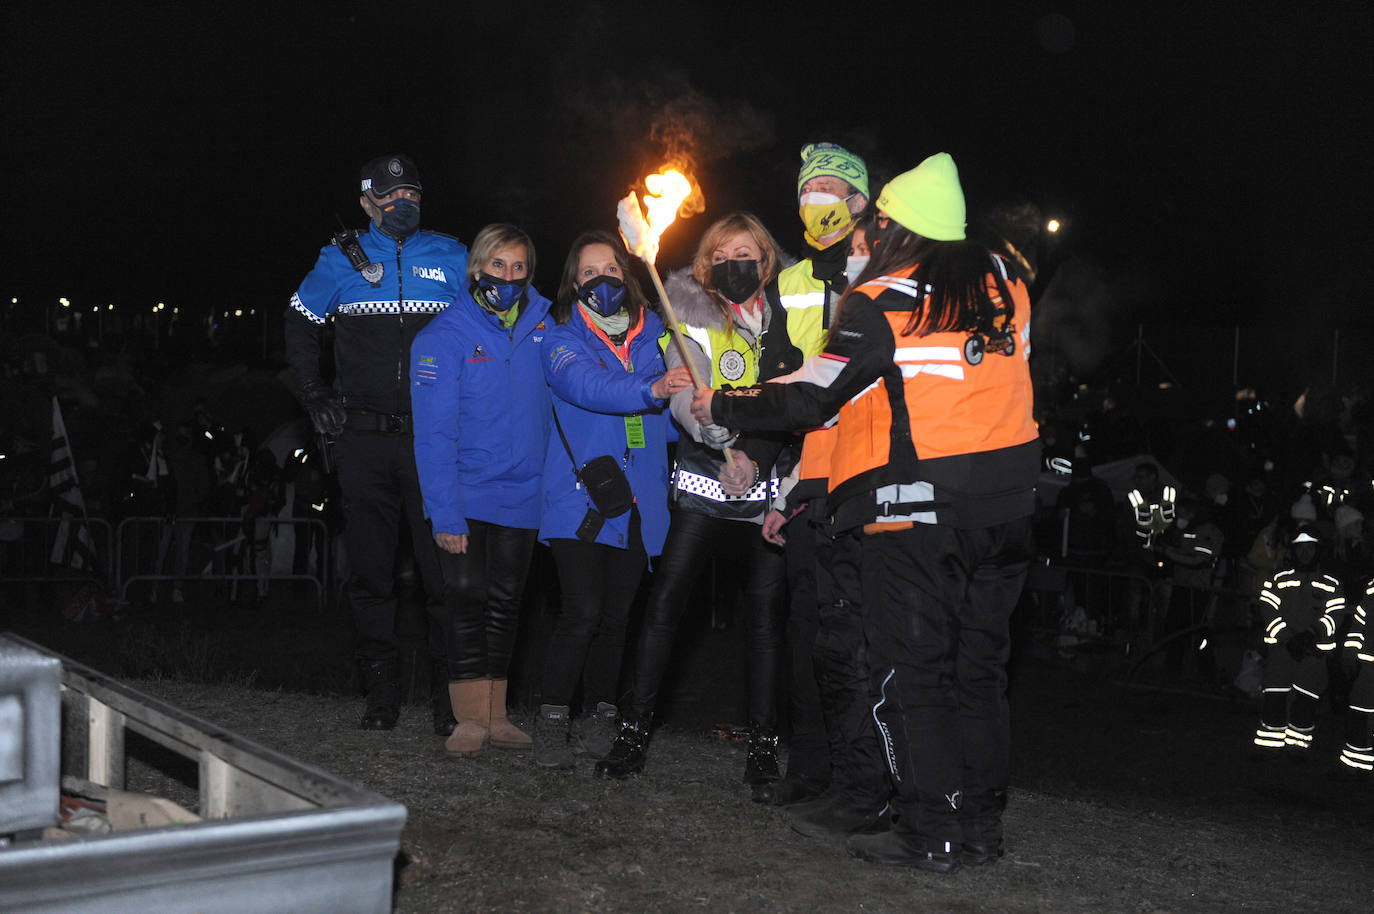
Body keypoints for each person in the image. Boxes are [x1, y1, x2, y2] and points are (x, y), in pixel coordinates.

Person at [693, 152, 1038, 873]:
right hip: (1007, 511)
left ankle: (926, 831)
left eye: (877, 223)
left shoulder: (882, 299)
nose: (867, 234)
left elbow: (813, 394)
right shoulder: (1009, 286)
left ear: (898, 227)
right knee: (979, 670)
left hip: (916, 511)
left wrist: (724, 402)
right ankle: (978, 828)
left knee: (911, 671)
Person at [595, 212, 829, 784]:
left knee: (765, 618)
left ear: (767, 257)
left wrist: (755, 452)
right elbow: (684, 386)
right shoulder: (688, 312)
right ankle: (632, 734)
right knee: (666, 604)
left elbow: (800, 396)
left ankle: (763, 748)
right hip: (704, 476)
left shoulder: (794, 313)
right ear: (705, 265)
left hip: (772, 481)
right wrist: (707, 428)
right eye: (720, 257)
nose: (733, 266)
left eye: (744, 253)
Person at [285, 153, 468, 732]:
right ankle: (382, 698)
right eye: (389, 196)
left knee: (444, 578)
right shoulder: (337, 260)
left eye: (411, 192)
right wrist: (313, 391)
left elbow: (491, 326)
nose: (402, 203)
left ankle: (450, 703)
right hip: (362, 444)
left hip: (435, 445)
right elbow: (298, 320)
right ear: (366, 203)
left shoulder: (452, 255)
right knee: (371, 575)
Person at [531, 231, 693, 769]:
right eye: (588, 272)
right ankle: (553, 719)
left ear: (628, 277)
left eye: (612, 270)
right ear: (573, 284)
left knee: (618, 619)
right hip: (578, 501)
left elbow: (667, 424)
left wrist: (695, 397)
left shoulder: (657, 338)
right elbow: (588, 388)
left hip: (641, 502)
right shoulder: (557, 340)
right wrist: (652, 390)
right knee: (581, 612)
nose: (602, 280)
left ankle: (602, 717)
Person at [762, 144, 878, 814]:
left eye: (833, 187)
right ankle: (809, 768)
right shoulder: (789, 283)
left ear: (862, 200)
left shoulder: (886, 273)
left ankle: (867, 777)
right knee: (809, 629)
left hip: (876, 479)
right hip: (811, 478)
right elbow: (786, 393)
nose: (820, 199)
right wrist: (782, 480)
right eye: (809, 189)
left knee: (865, 637)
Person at [411, 223, 552, 757]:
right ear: (477, 269)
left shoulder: (545, 326)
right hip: (465, 497)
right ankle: (467, 720)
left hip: (524, 495)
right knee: (465, 602)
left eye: (519, 268)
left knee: (506, 605)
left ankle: (496, 716)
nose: (509, 277)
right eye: (498, 266)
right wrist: (444, 514)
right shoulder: (442, 337)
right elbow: (433, 434)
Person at [1253, 526, 1346, 753]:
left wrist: (1311, 635)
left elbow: (1335, 615)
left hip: (1313, 654)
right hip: (1281, 652)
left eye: (1310, 548)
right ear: (1293, 551)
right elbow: (1267, 609)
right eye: (1300, 548)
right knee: (1274, 696)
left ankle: (1297, 748)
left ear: (1318, 551)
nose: (1305, 553)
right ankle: (1269, 746)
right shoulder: (1278, 578)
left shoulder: (1332, 582)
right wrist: (1287, 637)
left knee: (1305, 702)